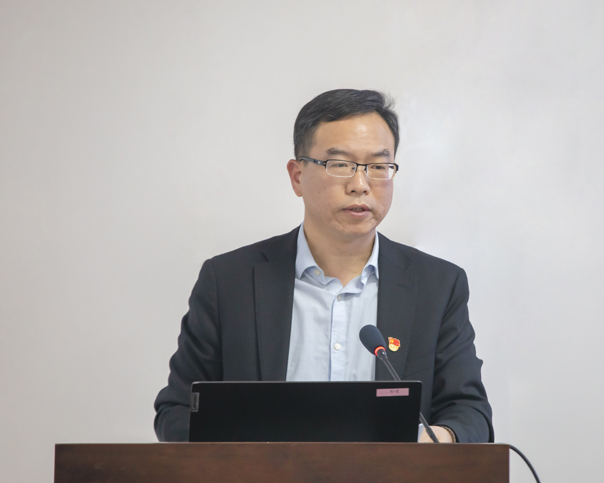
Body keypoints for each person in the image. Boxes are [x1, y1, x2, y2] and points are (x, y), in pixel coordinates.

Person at [154, 89, 493, 443]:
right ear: (297, 176)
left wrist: (433, 441)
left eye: (378, 167)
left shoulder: (438, 286)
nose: (360, 185)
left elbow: (469, 412)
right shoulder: (229, 282)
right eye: (341, 165)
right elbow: (177, 410)